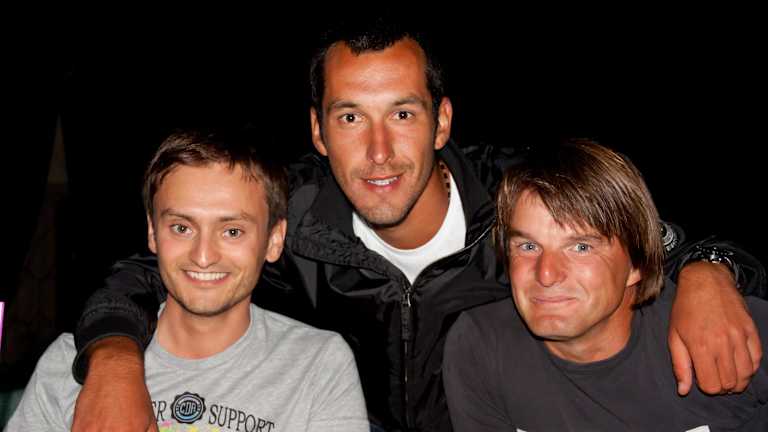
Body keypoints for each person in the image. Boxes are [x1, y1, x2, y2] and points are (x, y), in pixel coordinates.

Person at [69, 19, 765, 432]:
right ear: (318, 131)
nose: (378, 152)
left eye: (402, 114)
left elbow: (652, 238)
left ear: (442, 121)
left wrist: (711, 273)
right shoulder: (291, 217)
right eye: (350, 117)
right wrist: (113, 362)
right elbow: (151, 269)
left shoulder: (520, 200)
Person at [5, 130, 368, 432]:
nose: (203, 255)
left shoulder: (317, 363)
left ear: (274, 240)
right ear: (152, 232)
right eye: (182, 228)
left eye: (232, 231)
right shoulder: (69, 363)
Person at [443, 139, 768, 431]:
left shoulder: (729, 331)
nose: (546, 274)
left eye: (581, 247)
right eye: (528, 246)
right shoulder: (482, 347)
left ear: (636, 264)